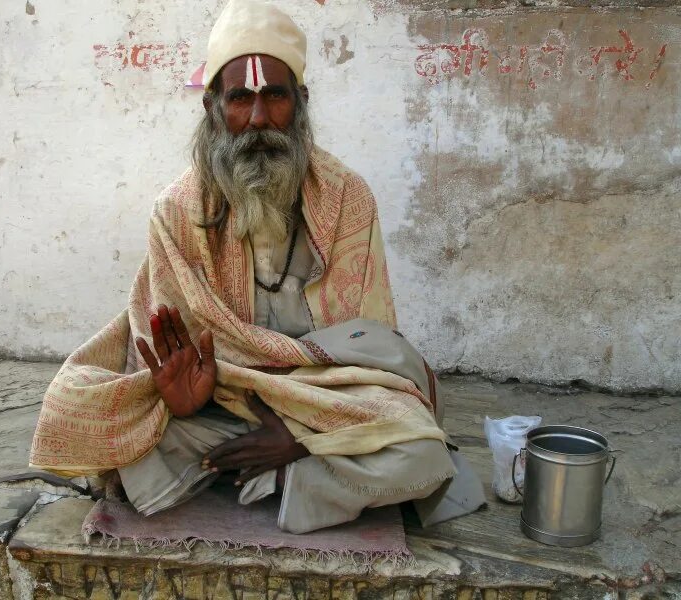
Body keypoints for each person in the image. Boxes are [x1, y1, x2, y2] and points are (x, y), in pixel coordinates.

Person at [30, 0, 484, 533]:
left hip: (325, 397)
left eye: (275, 96)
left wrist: (300, 437)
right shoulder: (177, 212)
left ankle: (277, 476)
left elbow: (369, 343)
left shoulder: (347, 199)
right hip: (220, 405)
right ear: (214, 110)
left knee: (424, 458)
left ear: (302, 101)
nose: (259, 119)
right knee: (105, 429)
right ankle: (290, 474)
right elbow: (174, 346)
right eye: (240, 98)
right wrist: (185, 399)